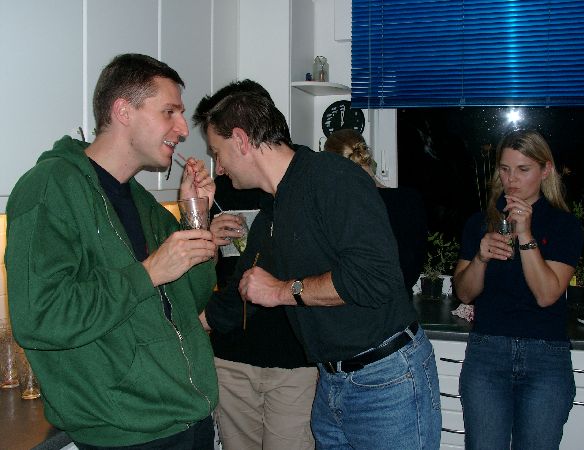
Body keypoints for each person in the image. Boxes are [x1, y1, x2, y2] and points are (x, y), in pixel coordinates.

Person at [195, 88, 441, 450]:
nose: (218, 167)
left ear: (241, 140)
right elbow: (237, 296)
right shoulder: (275, 209)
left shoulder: (331, 177)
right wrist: (184, 329)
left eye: (217, 153)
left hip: (387, 380)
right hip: (331, 383)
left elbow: (373, 277)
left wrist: (281, 291)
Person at [5, 53, 219, 449]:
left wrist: (196, 214)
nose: (182, 129)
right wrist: (148, 273)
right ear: (123, 111)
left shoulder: (142, 202)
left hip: (188, 418)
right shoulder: (50, 188)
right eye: (169, 112)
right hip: (126, 433)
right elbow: (40, 317)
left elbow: (193, 296)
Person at [194, 79, 317, 450]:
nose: (219, 166)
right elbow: (202, 273)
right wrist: (204, 229)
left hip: (292, 359)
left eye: (220, 150)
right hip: (231, 357)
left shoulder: (298, 187)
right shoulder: (221, 187)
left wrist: (201, 322)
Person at [453, 129, 583, 450]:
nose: (511, 179)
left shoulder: (564, 225)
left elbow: (547, 295)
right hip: (487, 352)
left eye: (523, 169)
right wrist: (481, 258)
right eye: (505, 169)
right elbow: (464, 293)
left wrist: (525, 235)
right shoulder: (480, 222)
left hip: (546, 356)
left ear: (546, 170)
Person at [323, 128, 427, 298]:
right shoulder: (410, 199)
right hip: (402, 307)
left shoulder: (348, 208)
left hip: (362, 308)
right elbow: (412, 263)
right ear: (368, 158)